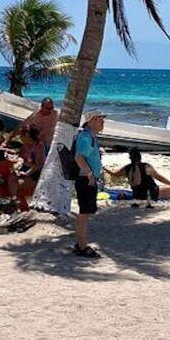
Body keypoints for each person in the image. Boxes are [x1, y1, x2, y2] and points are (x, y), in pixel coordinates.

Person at [106, 147, 170, 206]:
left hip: (137, 194)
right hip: (149, 193)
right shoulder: (146, 166)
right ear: (139, 157)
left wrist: (104, 168)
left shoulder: (127, 168)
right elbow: (158, 177)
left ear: (130, 158)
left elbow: (115, 174)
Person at [73, 110, 107, 258]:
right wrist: (89, 173)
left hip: (88, 179)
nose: (103, 122)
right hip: (85, 180)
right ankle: (82, 246)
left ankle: (79, 243)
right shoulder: (85, 137)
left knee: (86, 212)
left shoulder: (90, 136)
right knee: (84, 213)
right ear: (91, 121)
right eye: (100, 120)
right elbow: (79, 157)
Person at [5, 123, 45, 211]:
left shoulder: (38, 146)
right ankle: (15, 200)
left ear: (27, 135)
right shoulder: (26, 145)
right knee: (11, 177)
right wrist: (7, 151)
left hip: (34, 172)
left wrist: (27, 173)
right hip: (23, 168)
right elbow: (18, 153)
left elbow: (39, 164)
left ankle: (21, 206)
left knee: (18, 186)